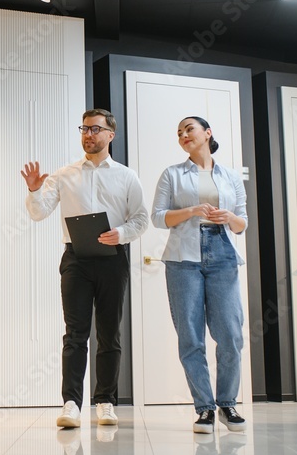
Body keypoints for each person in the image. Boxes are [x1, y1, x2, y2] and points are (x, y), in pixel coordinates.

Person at [22, 109, 149, 428]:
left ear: (110, 135)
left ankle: (105, 402)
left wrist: (121, 233)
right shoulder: (64, 174)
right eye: (84, 129)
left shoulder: (126, 176)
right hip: (76, 259)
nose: (88, 134)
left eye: (95, 129)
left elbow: (141, 219)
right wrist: (35, 190)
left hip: (112, 258)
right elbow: (39, 213)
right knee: (75, 334)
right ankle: (71, 404)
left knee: (109, 333)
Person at [151, 116, 248, 434]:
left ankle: (227, 403)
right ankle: (205, 408)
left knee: (231, 336)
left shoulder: (230, 176)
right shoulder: (172, 174)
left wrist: (229, 216)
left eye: (188, 129)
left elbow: (242, 223)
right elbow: (158, 218)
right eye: (179, 132)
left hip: (223, 256)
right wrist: (191, 211)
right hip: (184, 259)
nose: (183, 135)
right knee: (191, 339)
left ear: (208, 133)